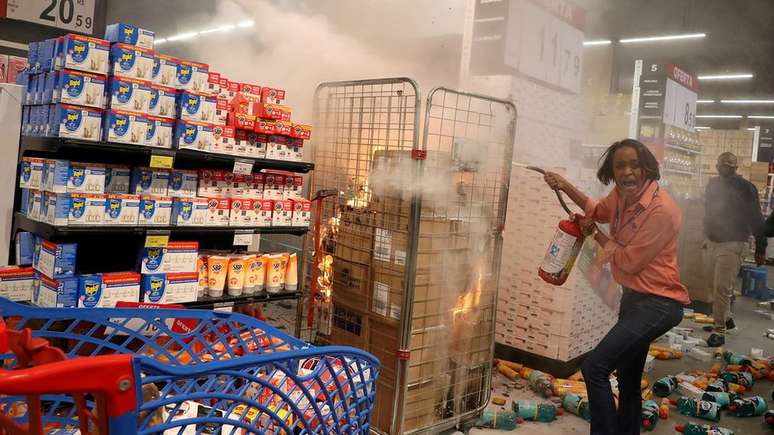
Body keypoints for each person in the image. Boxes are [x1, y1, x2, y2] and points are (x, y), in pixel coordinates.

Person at [544, 139, 688, 435]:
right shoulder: (621, 196)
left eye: (634, 165)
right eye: (620, 166)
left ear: (647, 167)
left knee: (595, 368)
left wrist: (593, 232)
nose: (628, 172)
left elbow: (629, 261)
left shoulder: (662, 211)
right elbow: (597, 210)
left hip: (659, 304)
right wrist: (565, 186)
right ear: (612, 171)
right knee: (628, 378)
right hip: (634, 299)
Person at [702, 152, 766, 347]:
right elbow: (708, 211)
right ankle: (726, 319)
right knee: (714, 286)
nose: (726, 169)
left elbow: (757, 218)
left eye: (730, 166)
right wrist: (705, 236)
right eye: (723, 166)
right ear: (717, 166)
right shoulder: (712, 185)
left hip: (734, 243)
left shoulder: (747, 188)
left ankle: (719, 331)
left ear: (736, 168)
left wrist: (760, 248)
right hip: (713, 242)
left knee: (722, 288)